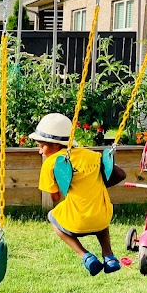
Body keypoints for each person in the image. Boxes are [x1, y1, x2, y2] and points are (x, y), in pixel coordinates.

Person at [31, 113, 126, 275]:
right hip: (101, 219)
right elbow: (121, 174)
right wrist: (99, 185)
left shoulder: (50, 164)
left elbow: (55, 197)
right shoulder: (92, 155)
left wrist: (63, 183)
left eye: (42, 146)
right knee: (98, 211)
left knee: (52, 216)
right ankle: (109, 256)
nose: (39, 151)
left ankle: (85, 256)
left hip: (76, 222)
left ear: (55, 145)